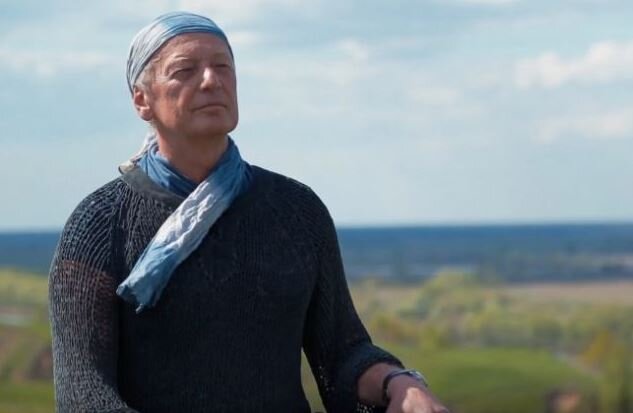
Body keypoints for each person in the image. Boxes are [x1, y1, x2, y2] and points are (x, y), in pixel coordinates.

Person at [48, 11, 450, 413]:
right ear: (142, 99)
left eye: (223, 66)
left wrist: (400, 384)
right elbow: (84, 396)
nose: (211, 80)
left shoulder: (297, 212)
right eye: (185, 70)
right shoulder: (100, 224)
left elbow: (342, 354)